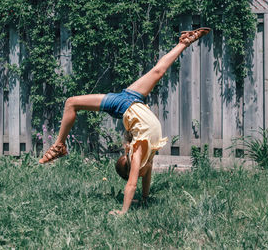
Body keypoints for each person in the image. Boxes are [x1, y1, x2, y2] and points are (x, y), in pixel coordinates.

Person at [39, 27, 211, 215]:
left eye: (136, 170)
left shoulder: (137, 155)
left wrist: (123, 212)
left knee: (71, 103)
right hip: (133, 100)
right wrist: (145, 198)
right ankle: (183, 43)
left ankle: (59, 146)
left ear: (131, 165)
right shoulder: (149, 156)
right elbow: (145, 179)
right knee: (158, 72)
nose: (145, 172)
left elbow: (132, 184)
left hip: (123, 105)